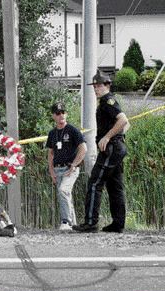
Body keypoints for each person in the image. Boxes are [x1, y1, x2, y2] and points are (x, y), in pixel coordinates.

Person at [73, 70, 130, 233]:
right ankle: (118, 224)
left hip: (111, 149)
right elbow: (125, 124)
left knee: (95, 183)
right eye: (94, 86)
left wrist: (107, 137)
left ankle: (90, 223)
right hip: (116, 148)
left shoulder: (108, 101)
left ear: (107, 85)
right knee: (115, 186)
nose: (95, 89)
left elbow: (123, 120)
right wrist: (117, 135)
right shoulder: (108, 101)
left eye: (98, 86)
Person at [46, 103, 87, 231]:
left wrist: (74, 164)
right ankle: (73, 225)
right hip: (57, 169)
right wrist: (51, 170)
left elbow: (83, 148)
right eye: (58, 113)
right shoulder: (52, 133)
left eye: (63, 112)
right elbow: (51, 152)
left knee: (63, 190)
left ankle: (66, 221)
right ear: (53, 116)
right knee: (65, 196)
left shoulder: (73, 130)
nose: (61, 115)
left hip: (70, 169)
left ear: (66, 114)